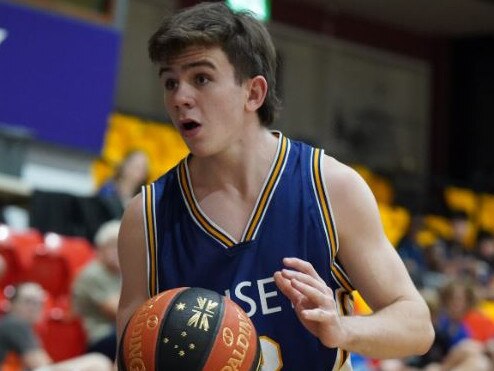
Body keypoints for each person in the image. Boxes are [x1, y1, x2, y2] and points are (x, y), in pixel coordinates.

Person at [116, 2, 434, 370]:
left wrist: (341, 329)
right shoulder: (146, 217)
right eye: (170, 82)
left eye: (200, 78)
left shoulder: (330, 187)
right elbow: (128, 358)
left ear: (253, 93)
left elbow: (416, 324)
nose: (179, 97)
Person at [0, 282, 113, 370]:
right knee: (97, 362)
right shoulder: (15, 323)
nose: (34, 307)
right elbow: (41, 366)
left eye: (38, 302)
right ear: (11, 304)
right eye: (28, 301)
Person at [72, 220, 121, 361]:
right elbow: (116, 312)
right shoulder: (93, 274)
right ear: (99, 249)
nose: (117, 251)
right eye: (112, 246)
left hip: (115, 332)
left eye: (121, 246)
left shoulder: (120, 273)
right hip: (98, 335)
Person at [98, 150, 149, 218]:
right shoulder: (107, 190)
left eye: (143, 168)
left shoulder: (142, 201)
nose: (138, 171)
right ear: (124, 164)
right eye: (135, 166)